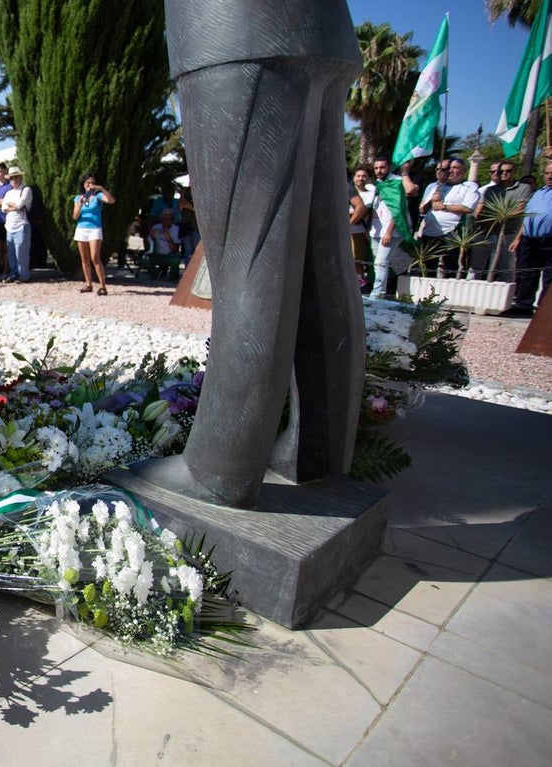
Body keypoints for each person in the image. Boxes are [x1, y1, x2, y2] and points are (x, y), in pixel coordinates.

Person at [131, 0, 365, 509]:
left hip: (233, 29)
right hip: (318, 29)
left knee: (248, 254)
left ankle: (218, 469)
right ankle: (315, 455)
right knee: (319, 257)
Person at [505, 161, 552, 317]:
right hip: (529, 239)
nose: (549, 176)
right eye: (547, 173)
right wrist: (518, 238)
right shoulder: (538, 193)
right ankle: (523, 305)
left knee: (549, 276)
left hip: (549, 240)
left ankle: (544, 309)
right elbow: (527, 218)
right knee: (526, 273)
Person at [419, 160, 479, 276]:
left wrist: (444, 207)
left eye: (455, 168)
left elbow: (468, 208)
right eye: (449, 168)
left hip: (452, 231)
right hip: (430, 232)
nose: (451, 171)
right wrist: (432, 200)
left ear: (464, 170)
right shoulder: (437, 186)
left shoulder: (469, 186)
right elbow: (422, 209)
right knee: (427, 265)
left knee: (450, 266)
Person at [474, 161, 529, 282]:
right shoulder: (490, 190)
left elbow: (519, 208)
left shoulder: (523, 188)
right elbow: (481, 211)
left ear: (514, 172)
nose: (504, 173)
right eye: (501, 171)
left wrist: (499, 216)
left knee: (507, 267)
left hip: (509, 232)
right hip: (486, 230)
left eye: (508, 171)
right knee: (476, 267)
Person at [368, 156, 413, 298]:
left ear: (388, 167)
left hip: (390, 231)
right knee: (379, 263)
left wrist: (389, 231)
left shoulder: (396, 182)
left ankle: (377, 294)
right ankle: (388, 290)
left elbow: (397, 209)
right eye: (376, 168)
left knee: (381, 263)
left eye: (382, 167)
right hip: (376, 230)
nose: (379, 171)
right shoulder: (377, 184)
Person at [73, 172, 115, 295]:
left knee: (95, 257)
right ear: (84, 184)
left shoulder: (98, 196)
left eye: (92, 183)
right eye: (88, 183)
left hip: (95, 229)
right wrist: (79, 204)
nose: (90, 185)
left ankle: (102, 286)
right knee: (84, 259)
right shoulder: (78, 198)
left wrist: (101, 189)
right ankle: (88, 284)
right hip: (81, 229)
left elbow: (111, 200)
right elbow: (75, 217)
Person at [1, 166, 33, 282]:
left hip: (22, 225)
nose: (13, 180)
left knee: (21, 253)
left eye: (15, 177)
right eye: (11, 178)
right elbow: (4, 207)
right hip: (9, 226)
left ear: (20, 177)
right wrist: (12, 207)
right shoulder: (9, 192)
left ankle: (24, 275)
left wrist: (12, 206)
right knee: (11, 253)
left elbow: (19, 205)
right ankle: (14, 273)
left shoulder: (26, 190)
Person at [350, 167, 374, 289]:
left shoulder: (370, 193)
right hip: (348, 231)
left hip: (359, 230)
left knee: (357, 259)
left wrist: (349, 223)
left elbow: (364, 211)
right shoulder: (349, 190)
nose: (360, 178)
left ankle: (360, 282)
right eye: (358, 176)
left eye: (363, 176)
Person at [147, 209, 182, 281]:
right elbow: (149, 244)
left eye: (168, 218)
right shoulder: (156, 227)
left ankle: (173, 276)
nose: (166, 220)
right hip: (157, 255)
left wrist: (169, 239)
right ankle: (155, 272)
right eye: (164, 218)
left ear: (172, 219)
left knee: (176, 259)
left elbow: (175, 248)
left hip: (169, 255)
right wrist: (152, 236)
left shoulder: (176, 229)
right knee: (145, 259)